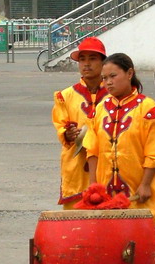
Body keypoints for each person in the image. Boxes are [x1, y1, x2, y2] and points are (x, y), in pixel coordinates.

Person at [83, 53, 155, 264]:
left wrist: (146, 184)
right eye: (105, 78)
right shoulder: (100, 107)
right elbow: (92, 147)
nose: (107, 82)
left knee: (148, 254)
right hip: (109, 196)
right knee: (110, 253)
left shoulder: (148, 109)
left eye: (113, 76)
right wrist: (92, 185)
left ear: (130, 73)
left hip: (141, 194)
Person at [52, 37, 108, 209]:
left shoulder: (113, 93)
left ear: (103, 62)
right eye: (82, 59)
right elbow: (60, 125)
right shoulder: (66, 95)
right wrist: (67, 134)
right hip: (76, 167)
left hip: (107, 163)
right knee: (75, 223)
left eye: (92, 59)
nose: (86, 64)